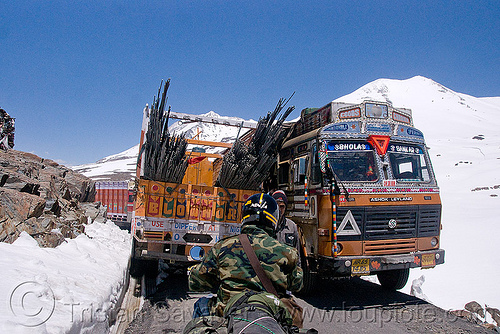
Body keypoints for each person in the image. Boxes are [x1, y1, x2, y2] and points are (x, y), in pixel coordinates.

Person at [188, 193, 303, 322]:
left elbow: (196, 283)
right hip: (272, 313)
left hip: (228, 311)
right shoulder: (288, 253)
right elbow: (297, 285)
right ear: (274, 219)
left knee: (201, 304)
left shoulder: (222, 247)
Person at [272, 190, 301, 264]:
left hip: (286, 272)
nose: (279, 210)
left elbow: (297, 255)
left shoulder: (291, 227)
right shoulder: (266, 225)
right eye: (276, 206)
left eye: (282, 206)